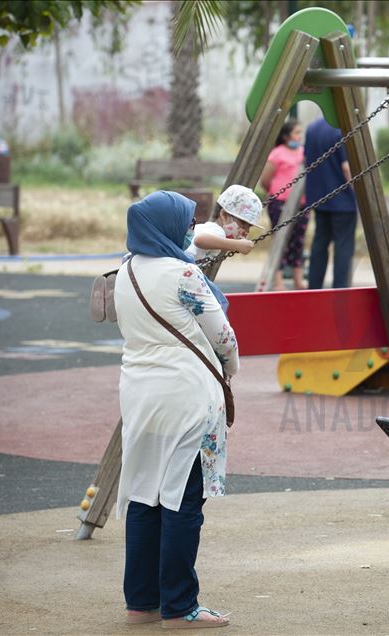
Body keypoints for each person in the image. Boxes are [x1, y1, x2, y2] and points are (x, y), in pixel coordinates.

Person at [114, 191, 239, 628]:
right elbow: (223, 338)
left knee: (145, 495)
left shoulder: (125, 270)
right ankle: (181, 605)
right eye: (186, 221)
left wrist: (221, 237)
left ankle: (141, 603)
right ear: (168, 227)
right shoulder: (184, 274)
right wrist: (231, 370)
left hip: (139, 396)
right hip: (185, 397)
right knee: (184, 500)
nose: (191, 228)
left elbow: (194, 242)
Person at [304, 117, 357, 289]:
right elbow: (347, 167)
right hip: (343, 200)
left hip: (319, 197)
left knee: (320, 244)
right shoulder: (342, 127)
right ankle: (340, 289)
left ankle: (314, 287)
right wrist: (359, 194)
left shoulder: (312, 128)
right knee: (343, 248)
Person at [259, 119, 308, 290]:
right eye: (296, 132)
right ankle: (278, 280)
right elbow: (265, 179)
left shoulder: (303, 152)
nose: (299, 136)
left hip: (301, 203)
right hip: (279, 202)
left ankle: (298, 280)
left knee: (298, 241)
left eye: (300, 133)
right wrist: (274, 192)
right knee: (280, 240)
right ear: (286, 136)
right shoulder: (277, 154)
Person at [185, 184, 263, 262]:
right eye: (243, 223)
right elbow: (200, 240)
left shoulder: (209, 228)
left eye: (249, 227)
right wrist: (237, 245)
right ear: (224, 215)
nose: (246, 231)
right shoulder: (218, 231)